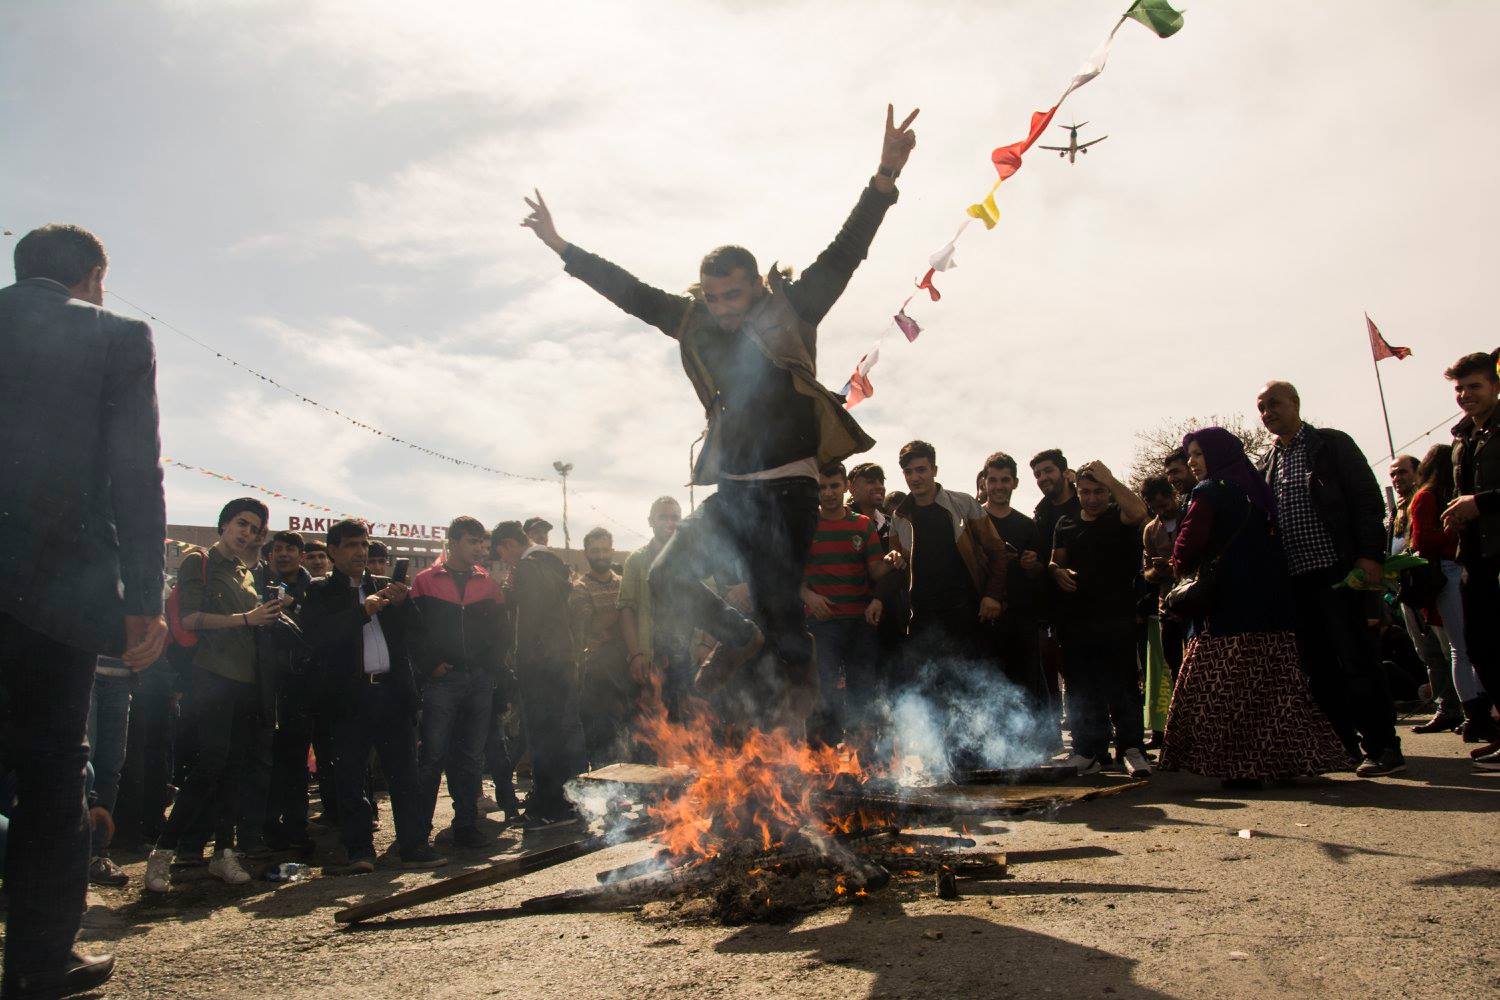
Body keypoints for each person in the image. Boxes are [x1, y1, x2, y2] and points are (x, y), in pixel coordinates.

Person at [523, 105, 920, 735]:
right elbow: (631, 292)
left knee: (783, 617)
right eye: (712, 297)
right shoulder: (695, 322)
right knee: (666, 577)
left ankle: (815, 735)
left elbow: (845, 253)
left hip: (788, 495)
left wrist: (884, 179)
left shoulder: (793, 308)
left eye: (732, 295)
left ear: (757, 284)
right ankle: (740, 638)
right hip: (733, 493)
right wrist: (562, 247)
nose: (722, 308)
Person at [0, 223, 166, 997]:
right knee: (49, 771)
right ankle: (39, 962)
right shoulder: (116, 337)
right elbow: (135, 475)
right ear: (94, 278)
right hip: (54, 594)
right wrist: (142, 600)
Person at [1159, 429, 1349, 786]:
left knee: (1225, 691)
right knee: (1274, 690)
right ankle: (1281, 763)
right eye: (1190, 456)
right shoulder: (1256, 488)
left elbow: (1186, 546)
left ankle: (1239, 767)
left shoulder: (1209, 491)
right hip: (1271, 605)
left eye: (1198, 454)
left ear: (1216, 454)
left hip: (1228, 610)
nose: (1193, 462)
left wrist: (1174, 563)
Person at [1255, 380, 1403, 776]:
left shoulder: (1331, 445)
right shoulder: (1267, 463)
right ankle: (1342, 747)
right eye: (1262, 408)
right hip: (1295, 580)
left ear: (1295, 403)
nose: (1268, 413)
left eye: (1274, 404)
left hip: (1340, 572)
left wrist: (1370, 555)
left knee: (1357, 658)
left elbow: (1367, 501)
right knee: (1318, 667)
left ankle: (1383, 746)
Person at [145, 499, 286, 893]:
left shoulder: (247, 571)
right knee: (210, 764)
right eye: (241, 523)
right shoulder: (199, 561)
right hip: (212, 678)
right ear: (224, 524)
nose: (247, 533)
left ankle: (224, 852)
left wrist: (269, 613)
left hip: (247, 681)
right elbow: (189, 618)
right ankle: (163, 853)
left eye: (254, 529)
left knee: (234, 769)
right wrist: (246, 618)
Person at [298, 520, 444, 872]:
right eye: (351, 545)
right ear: (333, 551)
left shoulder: (384, 585)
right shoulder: (320, 591)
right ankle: (359, 850)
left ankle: (413, 845)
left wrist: (403, 604)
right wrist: (363, 611)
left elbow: (417, 634)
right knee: (351, 778)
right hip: (349, 698)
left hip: (392, 693)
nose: (360, 552)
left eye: (364, 544)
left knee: (404, 774)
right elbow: (318, 637)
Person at [888, 441, 1010, 770]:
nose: (915, 477)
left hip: (965, 612)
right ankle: (942, 763)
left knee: (970, 687)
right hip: (923, 617)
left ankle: (977, 761)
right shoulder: (899, 516)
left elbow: (998, 552)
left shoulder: (963, 504)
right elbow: (898, 565)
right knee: (932, 689)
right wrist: (895, 559)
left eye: (921, 470)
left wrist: (992, 595)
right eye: (909, 472)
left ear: (934, 470)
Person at [410, 516, 507, 848]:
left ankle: (466, 826)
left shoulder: (488, 585)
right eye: (471, 541)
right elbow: (414, 633)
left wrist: (490, 669)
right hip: (442, 681)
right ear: (452, 543)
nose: (479, 548)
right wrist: (430, 666)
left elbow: (501, 634)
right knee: (432, 756)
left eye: (481, 541)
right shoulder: (425, 581)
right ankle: (418, 832)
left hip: (479, 680)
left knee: (471, 757)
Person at [1049, 462, 1151, 776]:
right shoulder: (1065, 523)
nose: (1092, 498)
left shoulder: (1119, 515)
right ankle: (1088, 752)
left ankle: (1131, 749)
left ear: (1108, 491)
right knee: (1081, 688)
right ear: (1077, 492)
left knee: (1122, 685)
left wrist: (1111, 479)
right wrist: (1056, 572)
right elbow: (1055, 561)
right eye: (1085, 492)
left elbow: (1139, 512)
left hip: (1117, 617)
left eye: (1099, 491)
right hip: (1078, 620)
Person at [494, 521, 584, 825]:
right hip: (560, 661)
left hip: (540, 665)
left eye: (501, 553)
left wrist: (522, 661)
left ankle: (548, 808)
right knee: (555, 734)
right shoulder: (552, 563)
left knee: (542, 737)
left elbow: (530, 621)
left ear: (509, 544)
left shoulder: (529, 567)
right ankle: (562, 803)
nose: (504, 560)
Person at [801, 462, 890, 747]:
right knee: (821, 695)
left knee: (862, 695)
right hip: (821, 625)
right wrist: (808, 596)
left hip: (859, 624)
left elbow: (877, 571)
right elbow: (787, 574)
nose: (828, 493)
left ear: (845, 487)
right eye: (822, 487)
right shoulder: (805, 526)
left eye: (834, 486)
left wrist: (895, 560)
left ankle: (867, 760)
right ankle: (820, 761)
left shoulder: (862, 525)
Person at [1440, 352, 1500, 767]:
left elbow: (1479, 497)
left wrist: (1480, 502)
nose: (1465, 395)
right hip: (1475, 556)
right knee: (1479, 646)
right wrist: (1458, 513)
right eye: (1459, 389)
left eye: (1474, 386)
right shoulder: (1462, 437)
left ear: (1494, 386)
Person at [1409, 444, 1490, 744]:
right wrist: (1456, 533)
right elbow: (1422, 540)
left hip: (1458, 568)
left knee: (1470, 645)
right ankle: (1474, 714)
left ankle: (1480, 710)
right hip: (1446, 571)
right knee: (1461, 647)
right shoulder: (1428, 497)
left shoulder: (1444, 497)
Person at [1388, 454, 1461, 732]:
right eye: (1393, 474)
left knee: (1448, 648)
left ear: (1417, 472)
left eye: (1402, 472)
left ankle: (1465, 707)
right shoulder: (1396, 512)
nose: (1397, 479)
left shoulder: (1427, 500)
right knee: (1428, 652)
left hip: (1430, 585)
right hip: (1407, 590)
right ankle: (1446, 706)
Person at [980, 452, 1050, 716]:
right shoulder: (973, 523)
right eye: (993, 480)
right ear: (984, 482)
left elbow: (1041, 571)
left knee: (1024, 693)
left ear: (1015, 483)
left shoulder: (1027, 525)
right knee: (984, 694)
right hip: (983, 621)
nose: (999, 486)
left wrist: (1032, 565)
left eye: (1005, 480)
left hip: (1021, 620)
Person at [619, 497, 686, 717]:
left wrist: (705, 646)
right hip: (650, 656)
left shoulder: (691, 560)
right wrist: (635, 654)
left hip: (685, 656)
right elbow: (626, 608)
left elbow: (711, 604)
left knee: (690, 724)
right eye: (663, 517)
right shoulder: (636, 561)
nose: (669, 522)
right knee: (650, 722)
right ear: (651, 521)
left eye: (675, 517)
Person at [570, 527, 630, 766]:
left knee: (629, 735)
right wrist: (622, 610)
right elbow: (591, 625)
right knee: (601, 736)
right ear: (586, 553)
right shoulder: (580, 587)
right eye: (595, 551)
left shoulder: (624, 584)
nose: (601, 555)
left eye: (605, 550)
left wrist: (613, 620)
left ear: (612, 551)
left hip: (627, 670)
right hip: (596, 673)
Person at [86, 656, 135, 887]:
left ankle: (96, 854)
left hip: (122, 676)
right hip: (86, 670)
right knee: (83, 763)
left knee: (111, 766)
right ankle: (72, 853)